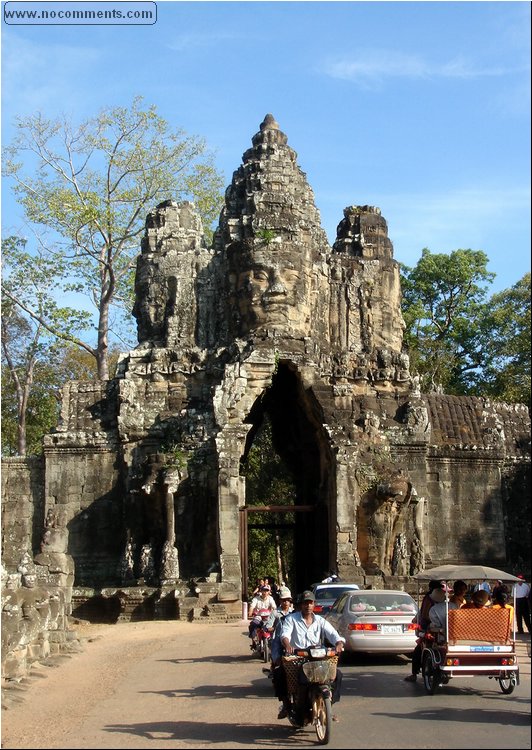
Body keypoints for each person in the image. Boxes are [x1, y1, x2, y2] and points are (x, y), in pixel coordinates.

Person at [273, 589, 345, 719]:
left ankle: (328, 707)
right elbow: (285, 635)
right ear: (301, 605)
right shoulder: (291, 619)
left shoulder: (320, 621)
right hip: (298, 657)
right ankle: (286, 704)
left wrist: (339, 643)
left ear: (314, 604)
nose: (308, 606)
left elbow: (333, 634)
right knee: (279, 673)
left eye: (310, 603)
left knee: (337, 675)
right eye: (305, 603)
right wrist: (288, 645)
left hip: (317, 657)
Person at [404, 580, 446, 682]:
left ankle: (414, 674)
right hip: (441, 629)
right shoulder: (444, 600)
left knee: (418, 650)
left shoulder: (430, 598)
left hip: (432, 628)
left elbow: (424, 614)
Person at [263, 586, 294, 675]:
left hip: (290, 639)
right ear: (280, 601)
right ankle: (275, 666)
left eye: (288, 600)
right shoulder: (275, 613)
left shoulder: (293, 613)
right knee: (276, 654)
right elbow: (268, 626)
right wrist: (274, 627)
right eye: (284, 600)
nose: (286, 602)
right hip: (278, 638)